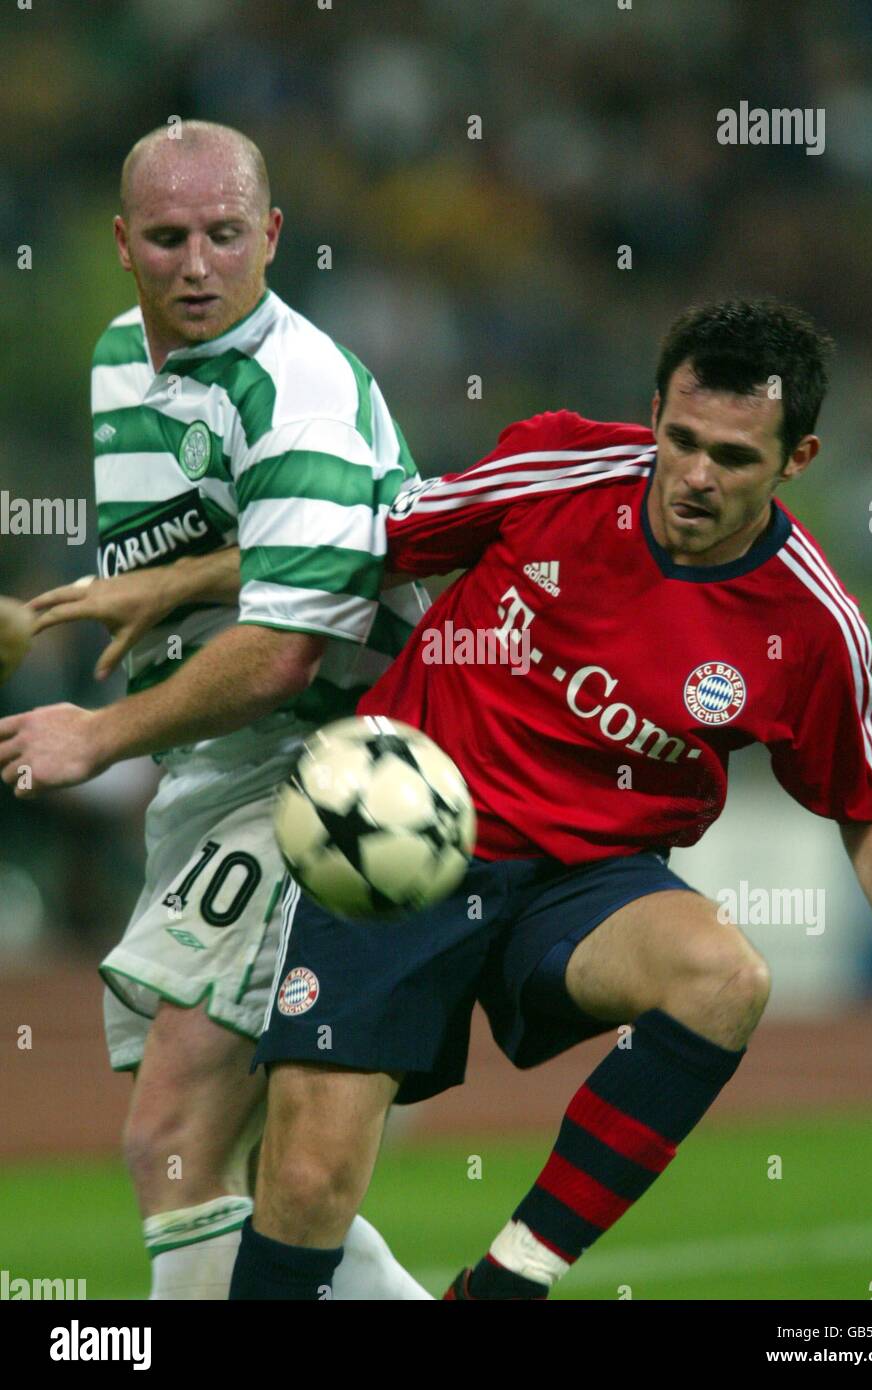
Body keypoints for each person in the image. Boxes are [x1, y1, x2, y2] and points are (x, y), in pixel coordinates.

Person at [224, 297, 872, 1300]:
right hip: (400, 840)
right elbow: (368, 544)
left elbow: (869, 786)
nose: (694, 475)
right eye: (679, 439)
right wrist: (169, 590)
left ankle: (509, 1283)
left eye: (733, 457)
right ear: (655, 410)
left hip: (588, 880)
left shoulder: (813, 619)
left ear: (799, 458)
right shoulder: (560, 464)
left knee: (725, 977)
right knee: (304, 1184)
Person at [1, 120, 431, 1300]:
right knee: (245, 1161)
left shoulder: (297, 385)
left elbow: (289, 649)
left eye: (226, 235)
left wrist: (96, 734)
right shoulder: (112, 360)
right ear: (123, 243)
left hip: (330, 769)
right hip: (215, 775)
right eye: (171, 237)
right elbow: (270, 538)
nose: (198, 264)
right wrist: (172, 584)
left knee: (173, 1137)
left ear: (273, 236)